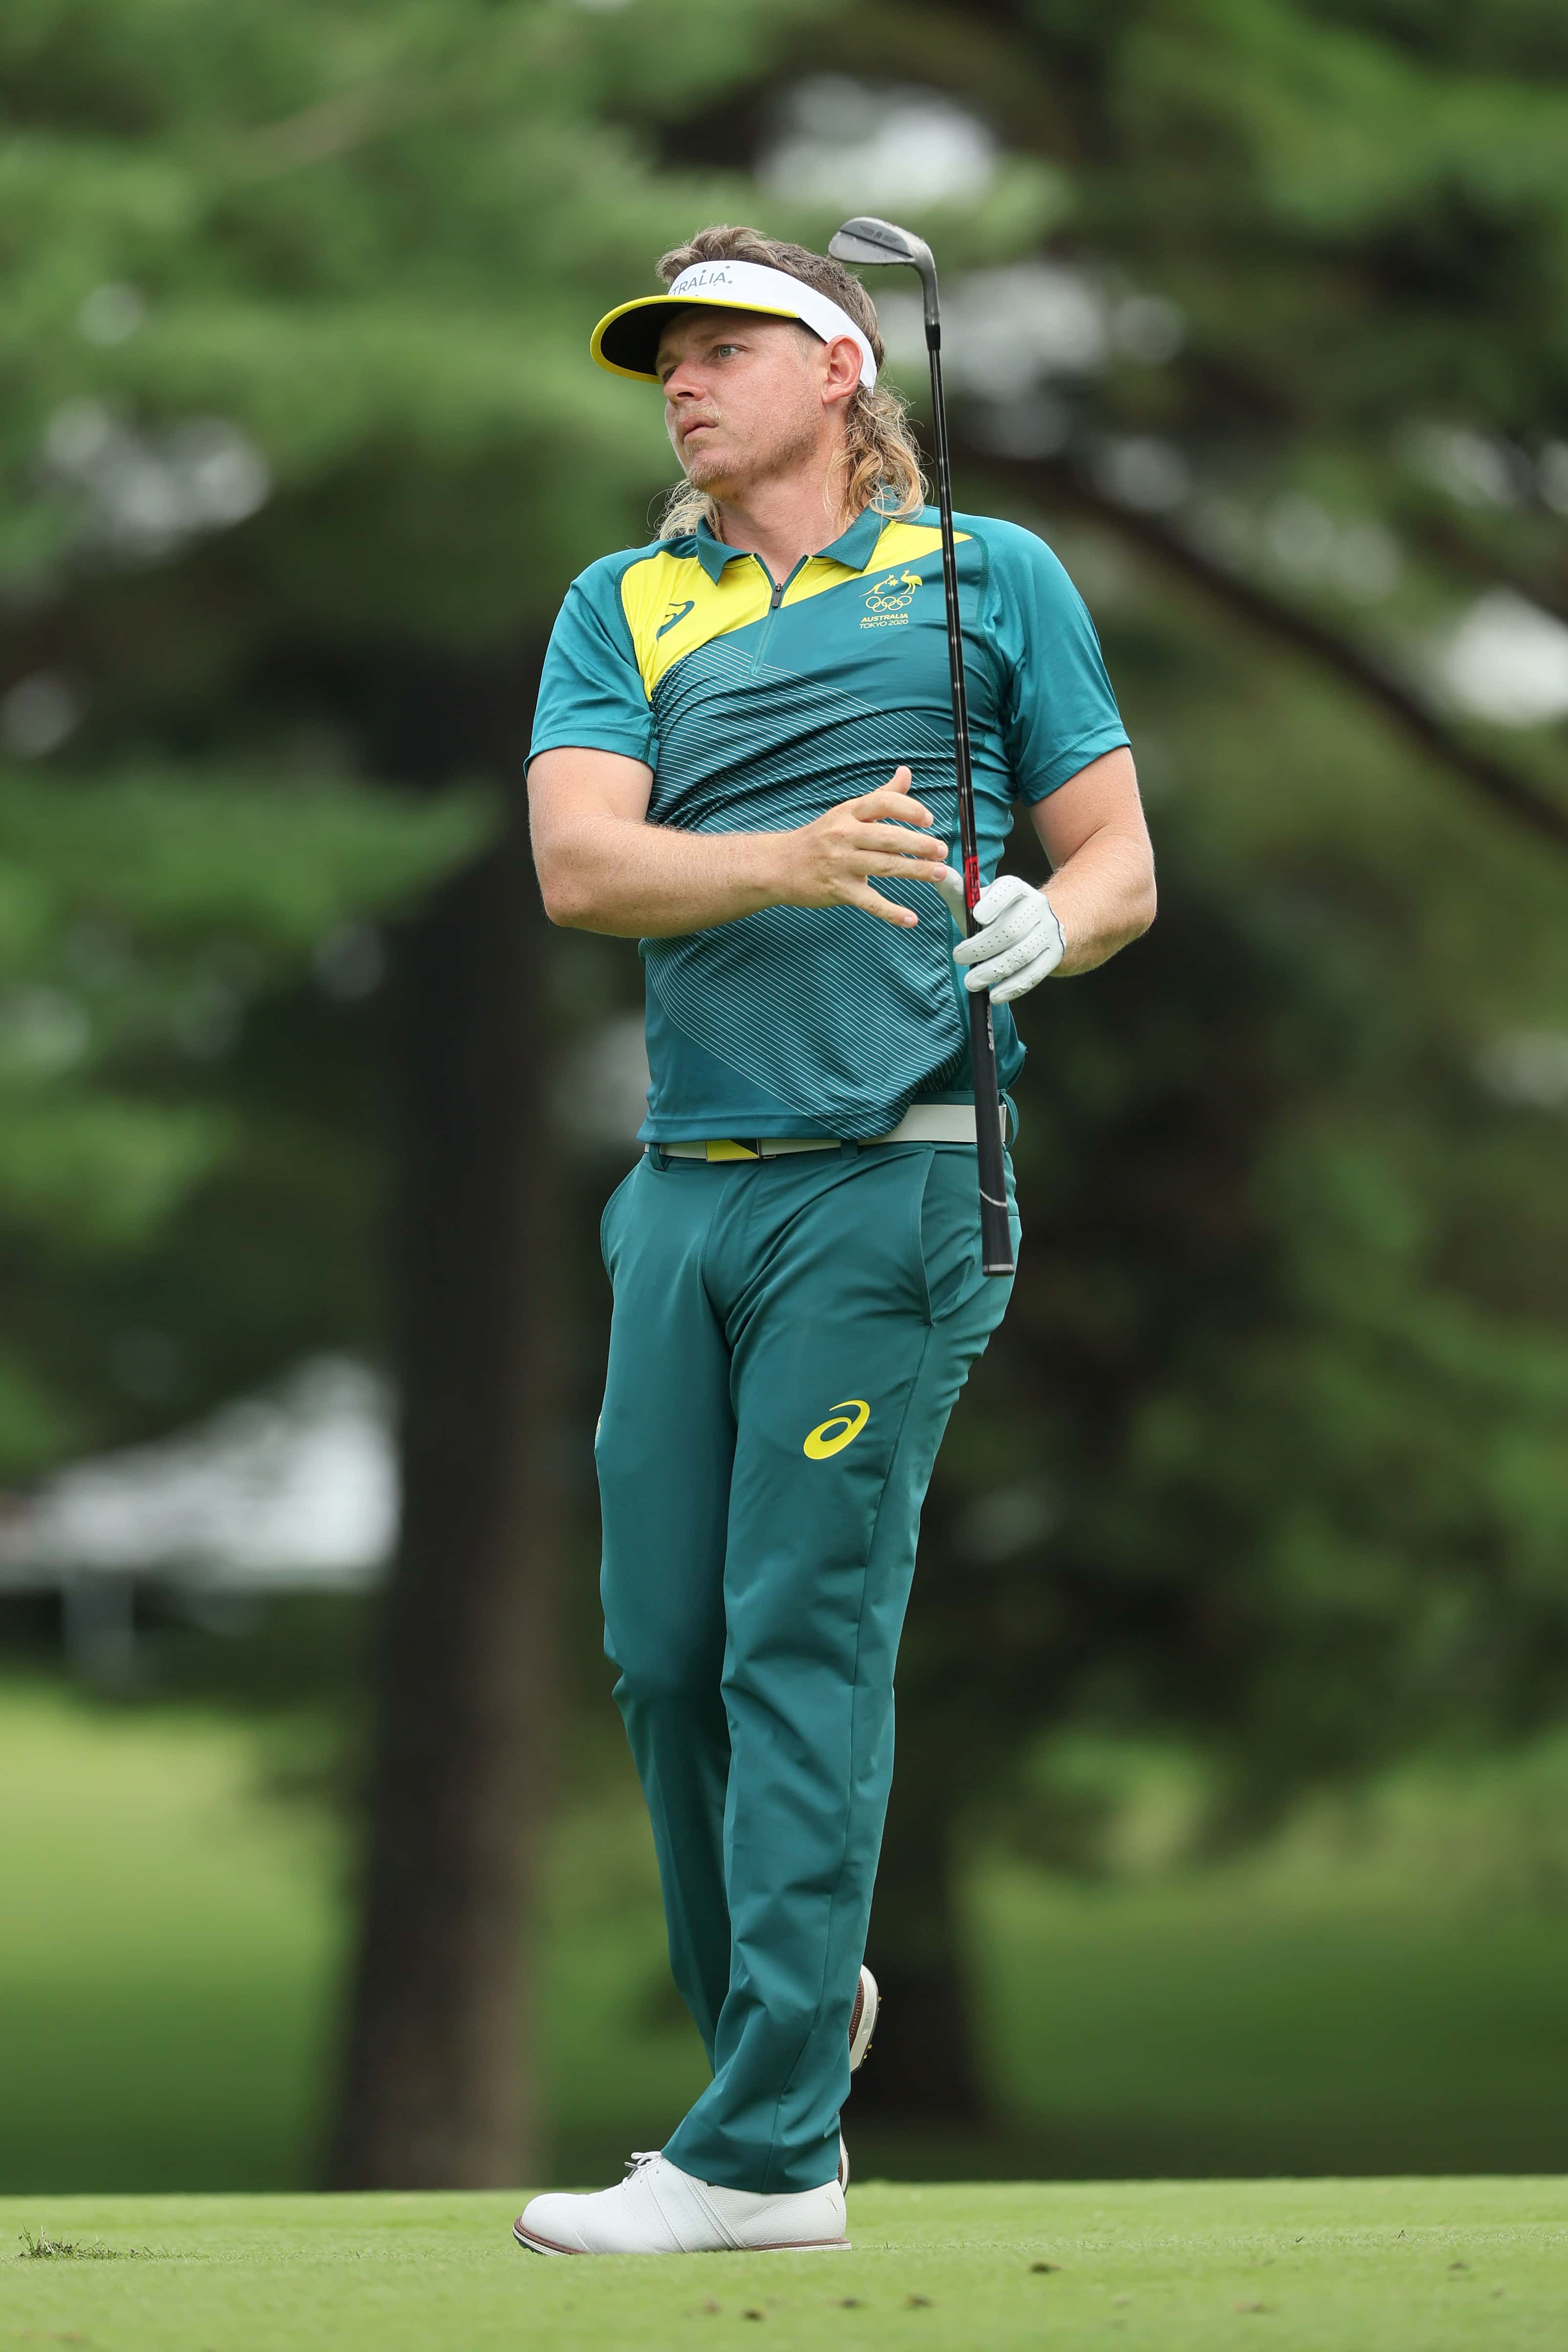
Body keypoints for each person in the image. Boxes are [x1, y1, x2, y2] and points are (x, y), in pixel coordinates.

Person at [515, 225, 1155, 2257]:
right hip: (681, 1189)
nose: (685, 382)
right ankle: (789, 2023)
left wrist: (1054, 922)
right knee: (663, 1655)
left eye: (724, 346)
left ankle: (769, 2155)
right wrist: (787, 860)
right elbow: (579, 865)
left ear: (840, 367)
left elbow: (1118, 857)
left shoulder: (992, 576)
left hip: (895, 1174)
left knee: (797, 1633)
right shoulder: (626, 599)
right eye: (666, 359)